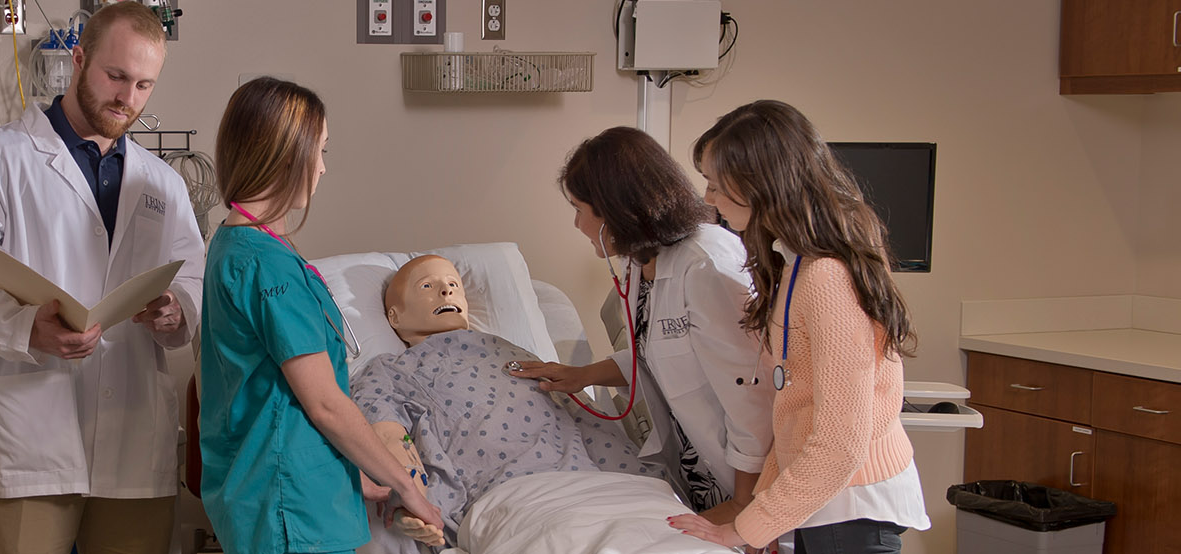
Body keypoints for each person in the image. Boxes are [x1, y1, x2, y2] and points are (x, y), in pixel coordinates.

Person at [0, 4, 203, 553]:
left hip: (133, 431)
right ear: (78, 60)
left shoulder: (162, 183)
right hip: (32, 432)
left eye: (144, 84)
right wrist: (26, 328)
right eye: (115, 76)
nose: (128, 98)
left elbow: (193, 277)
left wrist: (177, 309)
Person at [667, 100, 929, 553]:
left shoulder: (829, 277)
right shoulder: (795, 267)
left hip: (852, 506)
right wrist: (763, 515)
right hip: (823, 504)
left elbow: (838, 444)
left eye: (715, 185)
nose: (708, 199)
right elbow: (796, 415)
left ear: (760, 185)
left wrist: (747, 527)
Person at [198, 77, 441, 554]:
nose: (324, 168)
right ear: (286, 155)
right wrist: (407, 485)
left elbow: (270, 393)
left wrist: (356, 474)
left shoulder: (235, 247)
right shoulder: (265, 263)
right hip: (289, 506)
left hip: (286, 494)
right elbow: (324, 403)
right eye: (320, 150)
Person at [507, 126, 773, 523]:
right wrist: (579, 375)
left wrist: (744, 505)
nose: (576, 224)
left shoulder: (705, 264)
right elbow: (655, 352)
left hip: (751, 485)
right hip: (701, 478)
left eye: (579, 209)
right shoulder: (640, 261)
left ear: (615, 208)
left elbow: (752, 395)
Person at [350, 255, 657, 553]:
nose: (446, 291)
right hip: (507, 497)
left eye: (454, 285)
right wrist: (411, 499)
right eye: (427, 286)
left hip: (593, 486)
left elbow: (575, 412)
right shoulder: (390, 368)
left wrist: (635, 478)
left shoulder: (510, 350)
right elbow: (387, 432)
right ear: (395, 317)